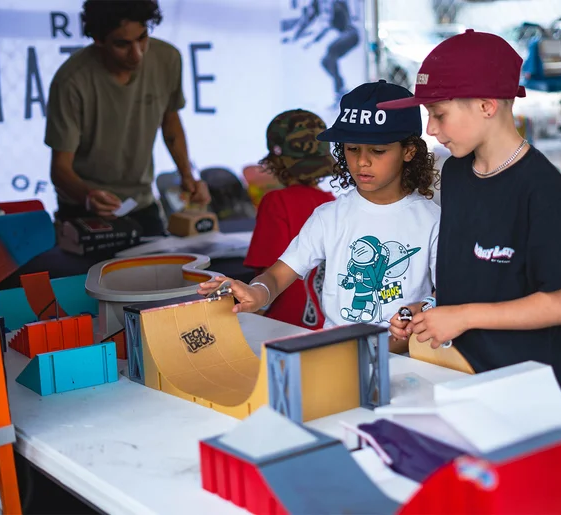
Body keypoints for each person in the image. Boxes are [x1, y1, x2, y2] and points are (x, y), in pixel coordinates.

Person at [379, 30, 561, 404]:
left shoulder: (540, 187)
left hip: (531, 395)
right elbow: (472, 279)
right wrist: (429, 310)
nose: (430, 128)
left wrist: (463, 315)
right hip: (461, 377)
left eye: (439, 114)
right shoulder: (456, 173)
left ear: (486, 105)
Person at [198, 80, 440, 352]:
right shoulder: (328, 216)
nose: (362, 161)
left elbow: (447, 295)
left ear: (409, 151)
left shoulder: (433, 221)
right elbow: (277, 276)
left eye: (378, 150)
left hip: (407, 360)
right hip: (334, 355)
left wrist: (424, 308)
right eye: (352, 148)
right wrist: (257, 293)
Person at [44, 0, 210, 236]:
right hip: (83, 208)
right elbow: (60, 169)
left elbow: (170, 120)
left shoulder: (167, 58)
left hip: (142, 203)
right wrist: (89, 197)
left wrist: (187, 176)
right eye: (122, 44)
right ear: (98, 40)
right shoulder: (71, 81)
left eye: (142, 38)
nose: (137, 53)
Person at [243, 109, 336, 330]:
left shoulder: (276, 202)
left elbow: (267, 278)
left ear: (276, 161)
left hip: (281, 329)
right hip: (325, 329)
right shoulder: (332, 203)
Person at [305, 0, 359, 105]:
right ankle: (340, 86)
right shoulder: (329, 13)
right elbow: (325, 29)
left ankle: (339, 89)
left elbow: (344, 15)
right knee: (325, 61)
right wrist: (312, 41)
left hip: (352, 34)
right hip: (347, 35)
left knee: (331, 50)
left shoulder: (337, 5)